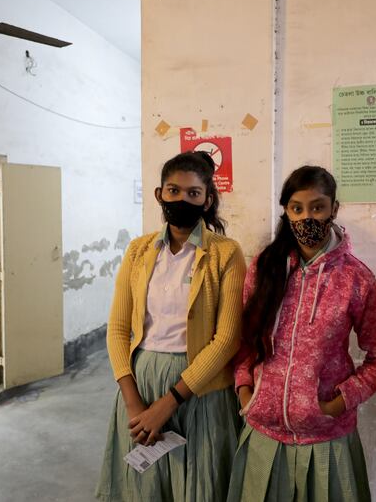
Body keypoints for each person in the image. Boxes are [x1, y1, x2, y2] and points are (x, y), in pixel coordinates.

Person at [228, 166, 376, 502]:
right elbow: (246, 340)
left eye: (317, 207)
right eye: (297, 208)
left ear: (334, 208)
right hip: (264, 434)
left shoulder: (356, 278)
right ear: (286, 211)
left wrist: (339, 402)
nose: (307, 217)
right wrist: (247, 390)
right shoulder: (265, 267)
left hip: (327, 438)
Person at [96, 151, 246, 502]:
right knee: (145, 488)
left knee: (199, 483)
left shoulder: (226, 253)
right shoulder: (137, 250)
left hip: (199, 388)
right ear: (159, 194)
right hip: (141, 383)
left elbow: (226, 339)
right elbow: (118, 328)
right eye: (173, 190)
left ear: (207, 200)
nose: (182, 199)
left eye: (193, 193)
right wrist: (133, 403)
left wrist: (169, 402)